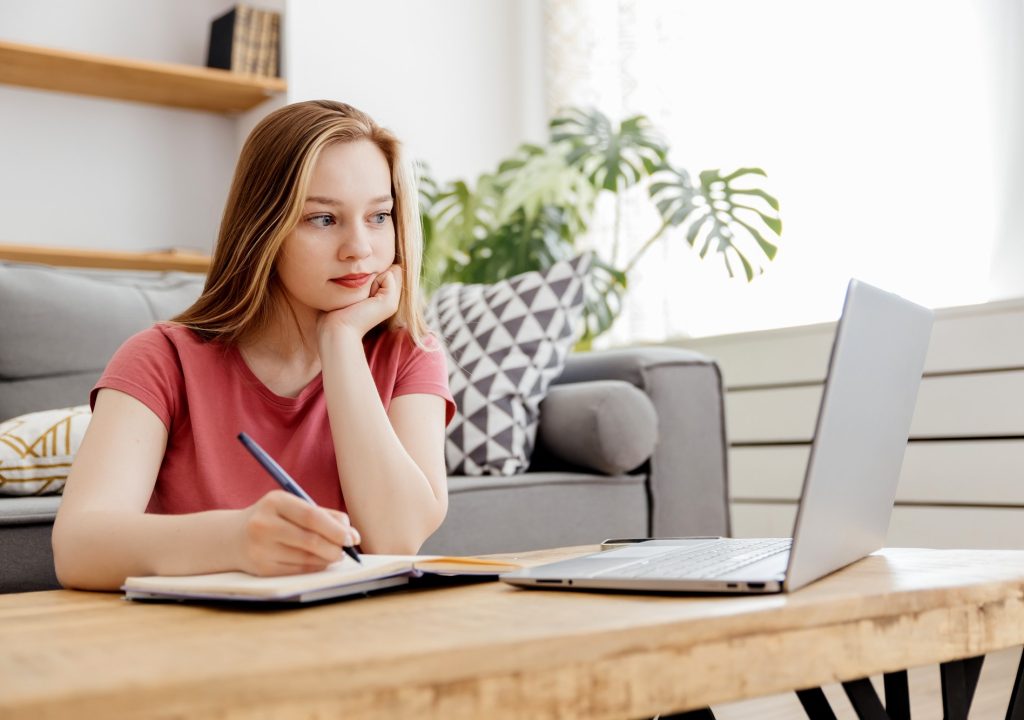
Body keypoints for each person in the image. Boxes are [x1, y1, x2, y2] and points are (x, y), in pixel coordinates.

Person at [52, 100, 455, 591]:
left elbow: (396, 538)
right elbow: (77, 547)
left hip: (355, 638)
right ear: (264, 228)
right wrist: (237, 539)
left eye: (379, 216)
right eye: (323, 219)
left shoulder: (410, 353)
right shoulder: (160, 359)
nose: (360, 248)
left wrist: (342, 342)